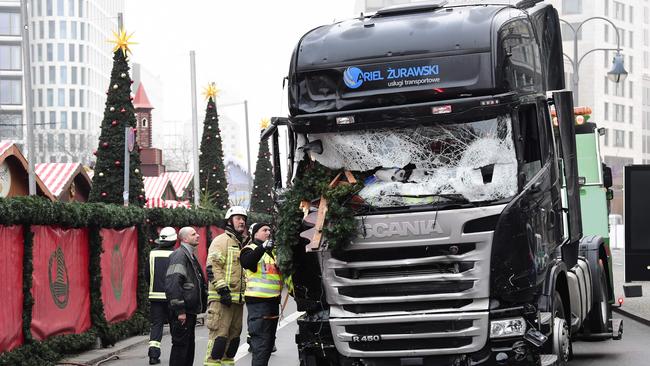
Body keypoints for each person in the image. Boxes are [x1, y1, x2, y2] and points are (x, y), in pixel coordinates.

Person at [204, 206, 248, 366]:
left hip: (237, 301)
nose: (242, 221)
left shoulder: (241, 243)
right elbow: (212, 266)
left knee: (233, 341)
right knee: (219, 339)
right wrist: (223, 290)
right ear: (230, 221)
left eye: (243, 219)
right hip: (221, 300)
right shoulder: (221, 241)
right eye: (238, 218)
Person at [240, 222, 283, 366]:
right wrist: (263, 247)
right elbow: (247, 262)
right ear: (255, 234)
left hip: (272, 302)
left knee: (268, 345)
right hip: (258, 304)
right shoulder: (249, 249)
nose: (268, 232)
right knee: (261, 345)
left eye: (270, 230)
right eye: (264, 230)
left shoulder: (273, 252)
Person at [164, 226, 208, 366]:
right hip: (183, 312)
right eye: (193, 234)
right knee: (181, 348)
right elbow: (173, 284)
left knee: (188, 348)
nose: (198, 236)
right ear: (184, 239)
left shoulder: (189, 255)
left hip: (190, 311)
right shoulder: (180, 256)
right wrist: (180, 311)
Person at [145, 227, 177, 365]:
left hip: (155, 297)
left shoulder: (152, 254)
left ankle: (153, 355)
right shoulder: (176, 255)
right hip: (172, 297)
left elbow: (147, 275)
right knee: (175, 326)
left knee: (156, 325)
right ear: (174, 241)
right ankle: (176, 355)